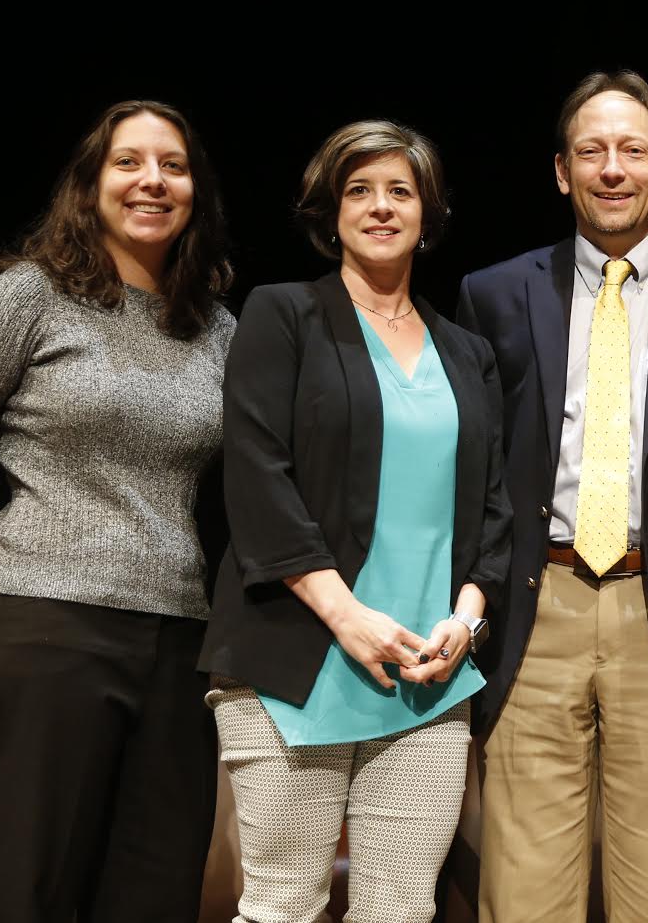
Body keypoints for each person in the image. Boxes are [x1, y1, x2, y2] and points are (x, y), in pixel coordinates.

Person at [457, 70, 648, 922]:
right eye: (590, 151)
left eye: (632, 150)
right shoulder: (494, 293)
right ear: (561, 171)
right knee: (520, 891)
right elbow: (477, 466)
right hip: (537, 605)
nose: (612, 168)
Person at [198, 119, 511, 923]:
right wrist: (348, 618)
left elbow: (492, 513)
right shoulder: (282, 315)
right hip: (296, 664)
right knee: (279, 908)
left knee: (403, 910)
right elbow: (257, 478)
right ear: (329, 212)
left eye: (399, 191)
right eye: (359, 191)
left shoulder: (466, 352)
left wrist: (465, 623)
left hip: (427, 682)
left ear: (427, 213)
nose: (380, 207)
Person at [0, 100, 234, 922]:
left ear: (195, 193)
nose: (152, 181)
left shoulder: (214, 330)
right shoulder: (32, 298)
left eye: (173, 166)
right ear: (90, 184)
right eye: (129, 162)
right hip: (47, 631)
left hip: (177, 641)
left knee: (153, 892)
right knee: (27, 892)